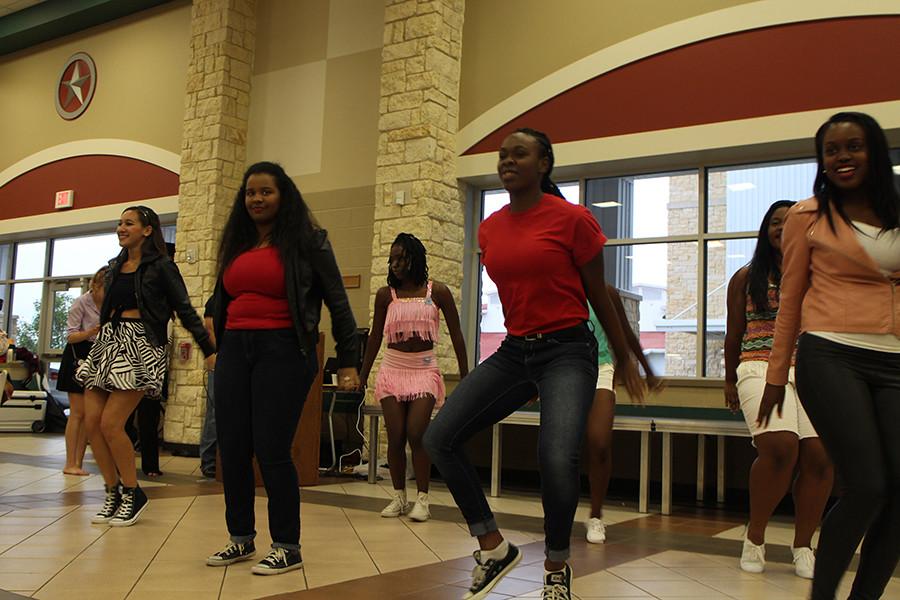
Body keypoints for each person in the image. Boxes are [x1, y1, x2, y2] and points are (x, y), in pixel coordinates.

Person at [423, 128, 645, 600]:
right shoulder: (491, 227)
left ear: (543, 164)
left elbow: (599, 295)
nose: (507, 161)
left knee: (555, 456)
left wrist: (625, 356)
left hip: (568, 349)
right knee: (440, 438)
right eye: (502, 155)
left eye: (519, 154)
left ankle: (556, 568)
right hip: (514, 350)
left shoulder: (573, 220)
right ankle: (493, 546)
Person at [760, 112, 900, 599]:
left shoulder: (897, 210)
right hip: (831, 353)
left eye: (854, 147)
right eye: (832, 150)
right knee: (867, 486)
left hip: (895, 360)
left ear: (875, 152)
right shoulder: (808, 215)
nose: (843, 157)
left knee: (898, 495)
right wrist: (776, 376)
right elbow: (791, 299)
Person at [206, 161, 360, 576]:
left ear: (283, 195)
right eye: (250, 193)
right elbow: (219, 299)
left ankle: (287, 545)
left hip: (283, 349)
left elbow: (338, 301)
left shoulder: (308, 240)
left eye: (265, 192)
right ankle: (240, 538)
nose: (256, 199)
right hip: (236, 348)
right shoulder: (237, 242)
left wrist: (349, 361)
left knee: (272, 449)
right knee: (233, 448)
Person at [78, 205, 214, 527]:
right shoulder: (114, 267)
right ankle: (112, 490)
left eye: (129, 223)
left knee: (112, 424)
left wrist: (208, 348)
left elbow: (185, 309)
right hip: (109, 341)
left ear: (147, 230)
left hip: (140, 345)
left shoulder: (162, 267)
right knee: (92, 423)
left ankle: (133, 491)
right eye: (119, 223)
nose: (121, 228)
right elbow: (106, 310)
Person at [723, 200, 833, 578]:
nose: (781, 227)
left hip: (812, 369)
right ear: (765, 229)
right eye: (775, 222)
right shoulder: (746, 276)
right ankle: (755, 536)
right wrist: (728, 379)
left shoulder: (819, 273)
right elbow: (734, 334)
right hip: (758, 365)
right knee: (780, 446)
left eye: (789, 222)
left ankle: (804, 546)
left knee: (819, 456)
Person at [359, 232, 468, 522]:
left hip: (424, 370)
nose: (395, 264)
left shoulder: (438, 292)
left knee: (417, 433)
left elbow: (457, 335)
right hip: (393, 369)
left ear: (414, 259)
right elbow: (374, 338)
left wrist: (466, 374)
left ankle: (422, 499)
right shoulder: (386, 295)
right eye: (392, 259)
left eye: (401, 258)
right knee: (395, 436)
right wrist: (363, 374)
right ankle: (399, 497)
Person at [584, 284, 660, 544]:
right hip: (565, 368)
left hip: (601, 368)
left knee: (600, 442)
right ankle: (558, 510)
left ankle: (596, 515)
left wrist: (647, 370)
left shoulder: (605, 292)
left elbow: (624, 333)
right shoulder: (555, 285)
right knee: (562, 447)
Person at [58, 266, 107, 476]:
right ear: (95, 286)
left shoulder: (111, 305)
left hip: (96, 356)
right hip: (77, 356)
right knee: (77, 413)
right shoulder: (81, 303)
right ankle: (70, 461)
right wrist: (90, 332)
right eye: (106, 289)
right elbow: (70, 336)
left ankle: (78, 462)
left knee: (90, 414)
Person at [198, 294, 218, 479]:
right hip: (220, 358)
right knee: (215, 412)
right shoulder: (215, 300)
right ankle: (209, 461)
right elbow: (209, 329)